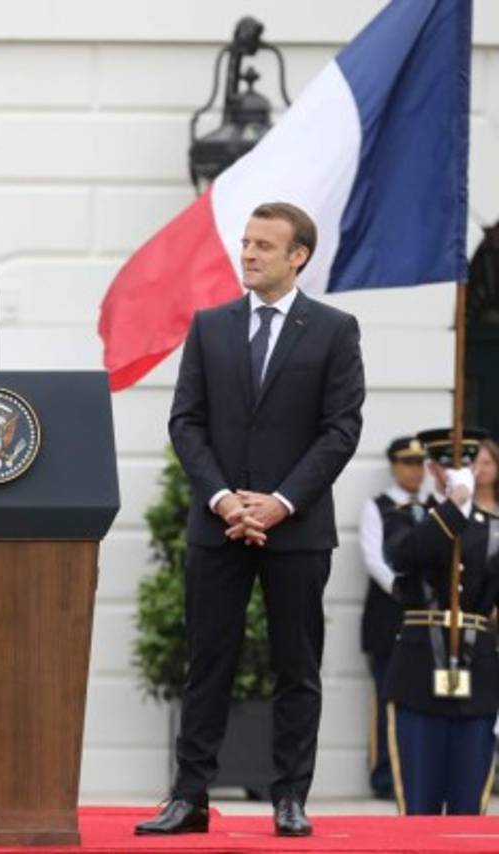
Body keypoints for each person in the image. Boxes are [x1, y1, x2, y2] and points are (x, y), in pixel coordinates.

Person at [136, 202, 364, 838]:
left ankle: (289, 796)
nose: (249, 254)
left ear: (299, 257)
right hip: (219, 524)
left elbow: (340, 429)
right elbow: (187, 422)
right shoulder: (210, 328)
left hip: (297, 528)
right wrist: (223, 499)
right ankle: (190, 797)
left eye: (265, 245)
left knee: (298, 664)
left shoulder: (334, 330)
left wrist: (281, 501)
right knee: (208, 661)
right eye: (245, 243)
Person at [385, 428, 498, 815]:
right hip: (419, 673)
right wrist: (452, 509)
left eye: (467, 462)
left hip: (478, 676)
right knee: (419, 805)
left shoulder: (493, 527)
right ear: (434, 469)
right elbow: (403, 556)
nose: (460, 470)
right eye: (450, 463)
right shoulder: (406, 517)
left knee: (469, 810)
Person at [358, 436, 427, 799]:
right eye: (407, 462)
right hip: (389, 616)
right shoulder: (379, 506)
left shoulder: (437, 506)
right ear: (394, 465)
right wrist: (404, 589)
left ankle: (420, 773)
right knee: (388, 696)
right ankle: (385, 775)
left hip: (428, 618)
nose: (415, 470)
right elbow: (374, 558)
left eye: (420, 463)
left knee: (426, 698)